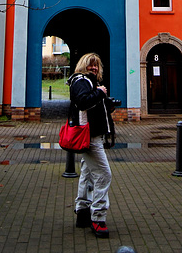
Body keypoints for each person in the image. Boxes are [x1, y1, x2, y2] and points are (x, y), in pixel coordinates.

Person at [67, 52, 115, 239]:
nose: (94, 68)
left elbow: (91, 103)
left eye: (96, 65)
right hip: (90, 136)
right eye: (90, 65)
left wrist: (105, 102)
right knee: (103, 174)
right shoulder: (81, 80)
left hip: (92, 134)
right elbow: (82, 101)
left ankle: (83, 211)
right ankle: (98, 217)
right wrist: (99, 93)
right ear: (83, 66)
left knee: (87, 172)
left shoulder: (89, 82)